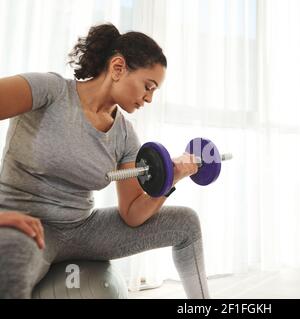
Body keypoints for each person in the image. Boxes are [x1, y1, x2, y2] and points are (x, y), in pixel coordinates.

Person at [0, 23, 210, 299]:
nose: (149, 98)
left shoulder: (125, 135)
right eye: (148, 86)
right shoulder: (49, 91)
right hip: (27, 224)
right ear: (118, 67)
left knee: (187, 223)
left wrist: (173, 176)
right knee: (11, 262)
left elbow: (132, 214)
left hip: (82, 229)